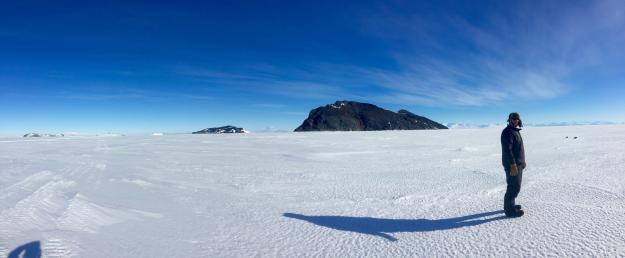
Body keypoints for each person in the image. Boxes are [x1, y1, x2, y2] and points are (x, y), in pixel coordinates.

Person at [501, 112, 526, 217]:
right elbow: (508, 150)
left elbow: (518, 149)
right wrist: (513, 165)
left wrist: (522, 162)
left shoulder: (515, 131)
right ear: (509, 120)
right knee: (513, 187)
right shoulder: (508, 132)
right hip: (512, 165)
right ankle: (509, 211)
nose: (515, 120)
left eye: (516, 119)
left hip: (518, 164)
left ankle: (510, 205)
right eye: (513, 118)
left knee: (515, 186)